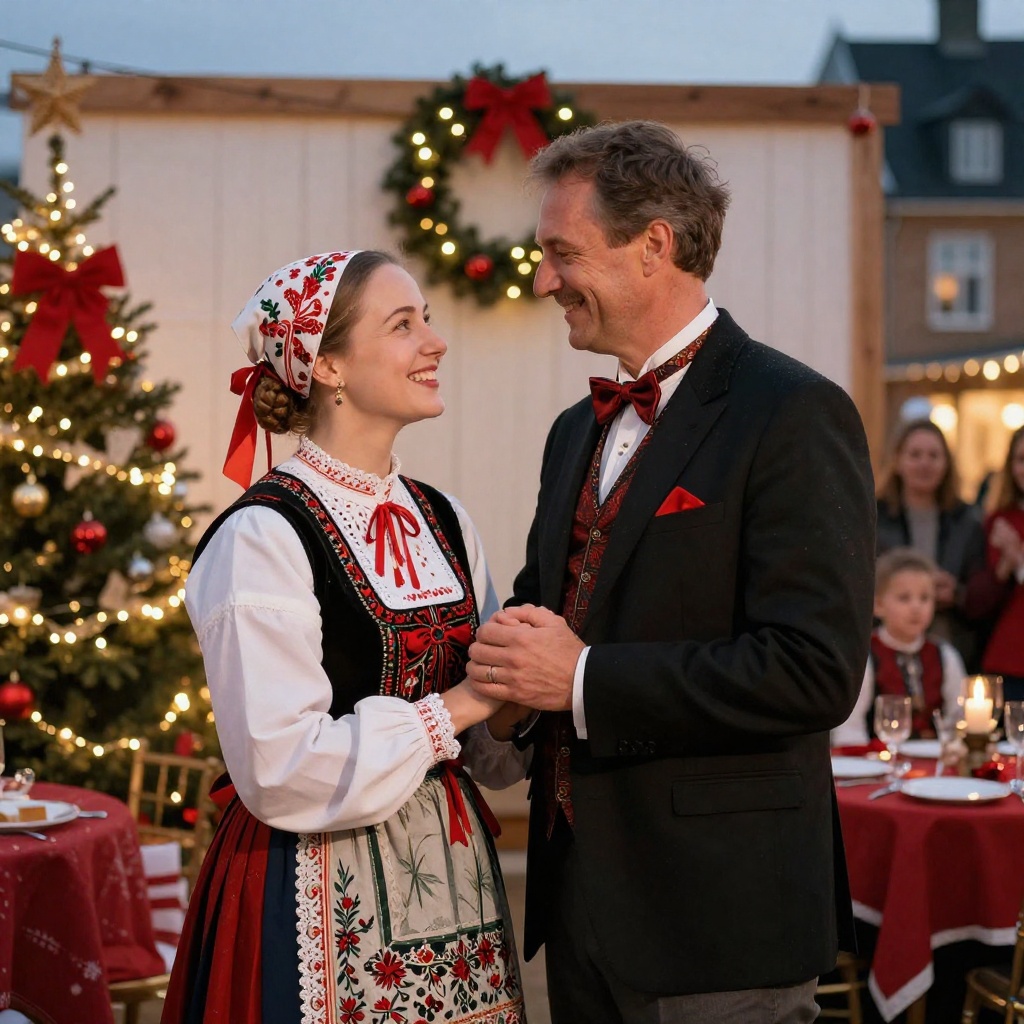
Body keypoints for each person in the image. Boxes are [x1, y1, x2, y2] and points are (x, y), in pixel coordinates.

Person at [465, 121, 876, 1023]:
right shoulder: (573, 431)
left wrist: (579, 678)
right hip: (576, 910)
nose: (542, 280)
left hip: (721, 919)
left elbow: (813, 670)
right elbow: (552, 611)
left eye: (560, 252)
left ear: (654, 245)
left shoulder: (794, 411)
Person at [162, 250, 528, 1024]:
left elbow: (492, 756)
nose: (435, 341)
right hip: (314, 884)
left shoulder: (446, 520)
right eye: (403, 324)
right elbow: (279, 764)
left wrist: (512, 693)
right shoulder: (262, 537)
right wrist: (457, 706)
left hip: (454, 879)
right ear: (326, 364)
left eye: (426, 318)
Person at [875, 418, 987, 669]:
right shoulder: (873, 517)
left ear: (946, 463)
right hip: (884, 646)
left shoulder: (968, 521)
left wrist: (956, 593)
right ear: (897, 461)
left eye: (934, 455)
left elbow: (982, 587)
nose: (924, 463)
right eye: (915, 455)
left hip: (951, 647)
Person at [832, 548, 965, 746]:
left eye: (924, 598)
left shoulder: (944, 655)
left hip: (934, 763)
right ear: (877, 605)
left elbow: (958, 716)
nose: (916, 607)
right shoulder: (865, 657)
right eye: (904, 598)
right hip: (877, 761)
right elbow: (849, 727)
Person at [978, 426, 1024, 701]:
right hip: (1011, 653)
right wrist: (1008, 564)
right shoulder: (1001, 520)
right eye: (1020, 459)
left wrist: (1019, 558)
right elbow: (989, 594)